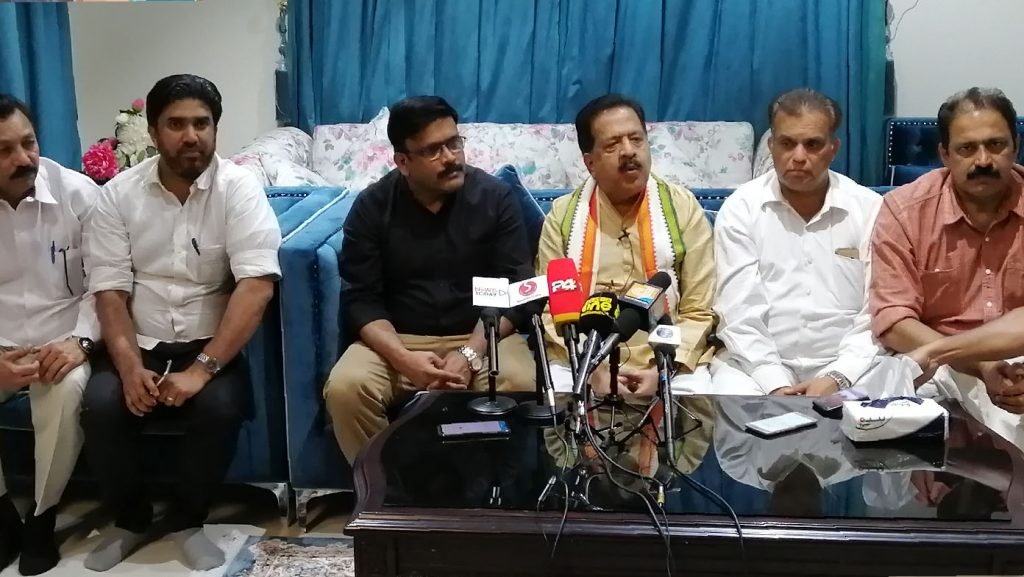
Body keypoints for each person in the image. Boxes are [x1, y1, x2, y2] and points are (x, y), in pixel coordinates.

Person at [81, 74, 282, 572]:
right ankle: (130, 520)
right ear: (153, 132)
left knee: (221, 407)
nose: (191, 136)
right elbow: (110, 289)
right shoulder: (118, 195)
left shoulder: (239, 189)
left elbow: (256, 285)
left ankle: (188, 519)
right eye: (176, 124)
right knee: (101, 406)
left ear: (215, 129)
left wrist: (202, 369)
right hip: (139, 339)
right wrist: (129, 367)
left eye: (201, 123)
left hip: (208, 343)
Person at [323, 96, 536, 464]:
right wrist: (405, 360)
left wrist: (470, 354)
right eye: (434, 150)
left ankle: (494, 489)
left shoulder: (494, 198)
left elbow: (516, 290)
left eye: (454, 143)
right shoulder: (372, 207)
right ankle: (386, 490)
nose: (451, 157)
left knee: (520, 382)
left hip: (484, 334)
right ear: (403, 162)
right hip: (399, 339)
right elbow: (361, 300)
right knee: (346, 389)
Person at [711, 88, 905, 398]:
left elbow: (877, 311)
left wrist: (837, 376)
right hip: (754, 368)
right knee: (736, 409)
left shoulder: (869, 209)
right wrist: (776, 383)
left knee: (888, 402)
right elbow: (738, 312)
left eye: (813, 144)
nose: (799, 157)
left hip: (852, 367)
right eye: (787, 143)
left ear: (833, 148)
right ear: (772, 146)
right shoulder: (741, 209)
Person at [870, 87, 1024, 443]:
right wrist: (979, 362)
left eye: (996, 145)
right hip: (940, 362)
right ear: (944, 154)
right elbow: (894, 320)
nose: (983, 160)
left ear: (1015, 146)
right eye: (966, 149)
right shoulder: (904, 210)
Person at [537, 94, 716, 396]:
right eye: (612, 145)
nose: (629, 151)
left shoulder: (682, 208)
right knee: (559, 409)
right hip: (579, 358)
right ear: (590, 163)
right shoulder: (563, 216)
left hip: (671, 357)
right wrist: (592, 368)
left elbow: (699, 310)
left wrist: (664, 369)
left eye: (636, 139)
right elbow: (550, 309)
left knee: (694, 413)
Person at [0, 94, 100, 575]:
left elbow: (107, 284)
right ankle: (2, 512)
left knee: (64, 392)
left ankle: (42, 515)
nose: (24, 159)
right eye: (4, 151)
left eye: (29, 143)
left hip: (64, 338)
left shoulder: (78, 194)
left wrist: (80, 342)